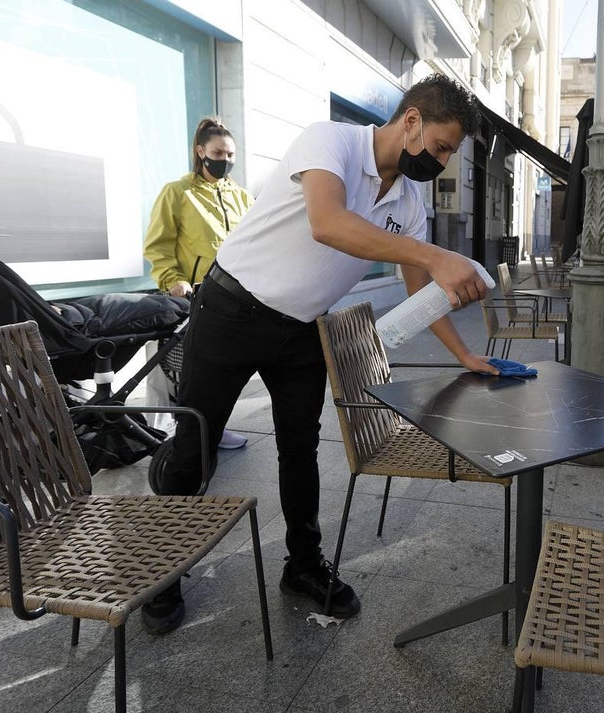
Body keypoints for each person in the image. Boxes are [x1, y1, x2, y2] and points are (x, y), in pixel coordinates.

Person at [141, 74, 496, 635]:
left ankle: (303, 565)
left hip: (302, 329)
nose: (444, 161)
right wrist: (434, 255)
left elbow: (418, 291)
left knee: (300, 450)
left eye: (451, 152)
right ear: (411, 122)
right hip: (231, 308)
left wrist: (465, 356)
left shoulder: (407, 199)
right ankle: (162, 571)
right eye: (442, 146)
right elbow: (328, 224)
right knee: (194, 447)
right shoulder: (329, 140)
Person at [142, 116, 253, 450]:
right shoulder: (177, 193)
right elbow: (158, 245)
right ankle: (180, 433)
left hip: (233, 297)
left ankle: (213, 429)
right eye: (219, 153)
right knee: (189, 369)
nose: (226, 161)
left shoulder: (241, 196)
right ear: (201, 151)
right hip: (193, 295)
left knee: (224, 369)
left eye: (231, 155)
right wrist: (172, 279)